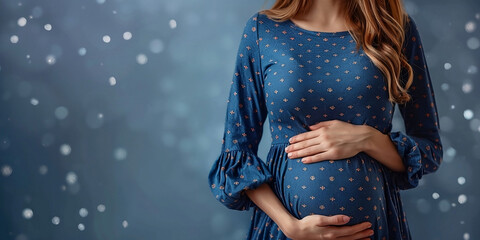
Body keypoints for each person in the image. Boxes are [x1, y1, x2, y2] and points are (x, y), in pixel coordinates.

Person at [207, 0, 443, 239]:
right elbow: (236, 153)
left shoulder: (395, 28)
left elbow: (430, 149)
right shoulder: (263, 29)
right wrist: (290, 227)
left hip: (378, 230)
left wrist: (368, 139)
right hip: (284, 233)